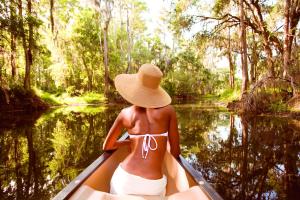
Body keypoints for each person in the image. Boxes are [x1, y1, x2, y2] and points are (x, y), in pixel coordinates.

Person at [103, 63, 180, 196]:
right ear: (156, 89)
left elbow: (107, 146)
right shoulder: (169, 111)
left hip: (123, 180)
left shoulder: (125, 113)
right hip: (153, 185)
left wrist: (130, 142)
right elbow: (176, 152)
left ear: (136, 88)